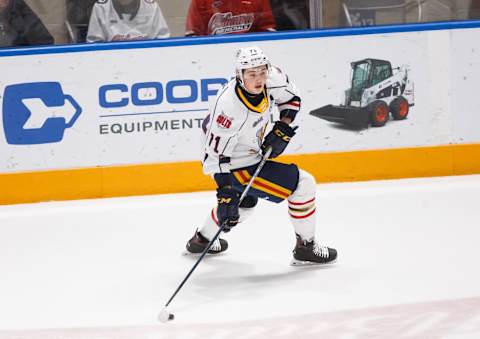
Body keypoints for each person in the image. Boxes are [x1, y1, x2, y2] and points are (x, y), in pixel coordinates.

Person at [186, 46, 337, 265]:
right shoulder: (229, 108)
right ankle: (306, 247)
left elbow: (291, 99)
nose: (259, 79)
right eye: (252, 74)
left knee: (245, 203)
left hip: (249, 150)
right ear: (240, 76)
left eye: (262, 72)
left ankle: (201, 241)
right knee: (304, 184)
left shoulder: (271, 77)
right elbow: (215, 157)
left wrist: (282, 126)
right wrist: (225, 191)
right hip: (230, 160)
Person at [86, 0, 170, 43]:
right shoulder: (101, 7)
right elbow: (94, 46)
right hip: (111, 63)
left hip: (145, 61)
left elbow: (162, 41)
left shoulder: (151, 6)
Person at [185, 0, 276, 36]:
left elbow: (268, 31)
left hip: (251, 55)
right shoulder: (201, 1)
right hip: (214, 53)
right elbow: (193, 35)